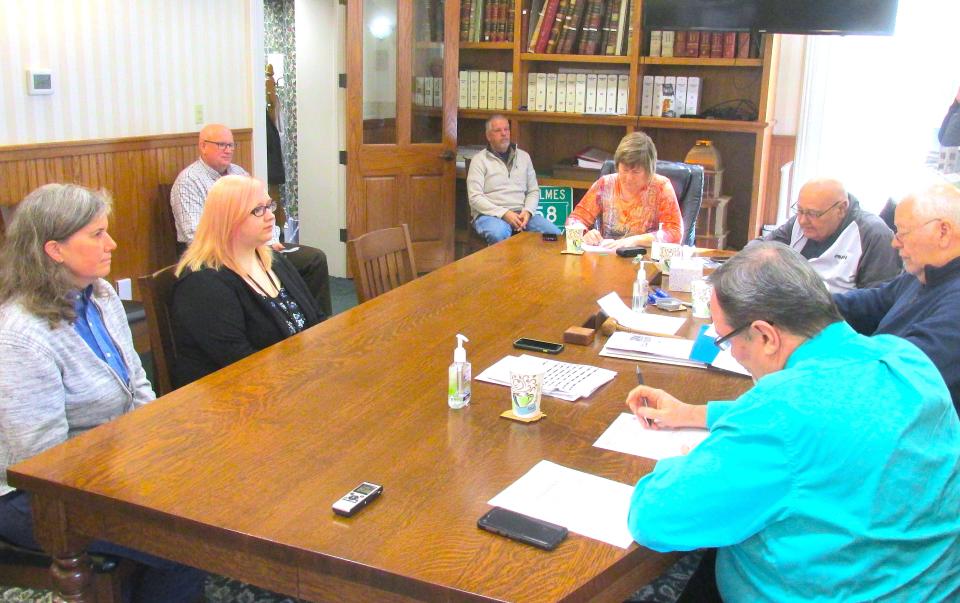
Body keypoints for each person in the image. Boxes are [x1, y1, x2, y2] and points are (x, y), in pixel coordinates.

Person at [625, 242, 960, 602]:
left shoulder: (779, 414)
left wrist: (685, 462)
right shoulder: (906, 359)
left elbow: (652, 519)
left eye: (725, 339)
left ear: (766, 336)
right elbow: (835, 419)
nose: (732, 353)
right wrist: (693, 413)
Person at [0, 184, 205, 602]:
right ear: (54, 250)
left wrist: (160, 446)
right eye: (96, 235)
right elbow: (42, 461)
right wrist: (134, 477)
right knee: (187, 539)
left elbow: (138, 384)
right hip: (33, 496)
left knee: (206, 488)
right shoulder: (21, 336)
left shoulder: (101, 294)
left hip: (107, 464)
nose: (111, 244)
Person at [171, 175, 324, 387]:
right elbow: (241, 364)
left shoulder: (272, 260)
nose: (271, 216)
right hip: (234, 399)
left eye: (269, 206)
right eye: (258, 210)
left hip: (294, 379)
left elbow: (315, 317)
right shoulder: (203, 284)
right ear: (229, 220)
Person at [171, 123, 333, 316]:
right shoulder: (188, 180)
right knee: (279, 265)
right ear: (203, 146)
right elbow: (194, 233)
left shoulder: (238, 173)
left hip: (252, 247)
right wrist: (243, 246)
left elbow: (262, 207)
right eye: (221, 145)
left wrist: (271, 239)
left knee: (313, 259)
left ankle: (315, 321)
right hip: (215, 255)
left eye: (231, 145)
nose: (228, 150)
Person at [835, 182, 960, 415]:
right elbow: (865, 304)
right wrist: (799, 306)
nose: (894, 242)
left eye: (902, 232)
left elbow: (899, 372)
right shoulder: (922, 275)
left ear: (943, 231)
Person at [761, 178, 901, 293]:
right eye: (799, 210)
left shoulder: (873, 235)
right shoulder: (799, 221)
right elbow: (760, 248)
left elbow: (877, 300)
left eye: (813, 214)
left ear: (841, 209)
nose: (803, 221)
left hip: (835, 317)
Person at [567, 132, 682, 249]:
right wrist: (584, 234)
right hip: (607, 257)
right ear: (617, 165)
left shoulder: (661, 187)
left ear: (649, 171)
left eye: (636, 172)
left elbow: (675, 232)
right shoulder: (605, 184)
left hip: (644, 259)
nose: (629, 178)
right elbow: (574, 219)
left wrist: (634, 241)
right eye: (624, 170)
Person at [466, 114, 561, 244]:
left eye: (506, 129)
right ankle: (501, 265)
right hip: (490, 215)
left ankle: (533, 265)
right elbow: (475, 198)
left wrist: (527, 211)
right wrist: (504, 213)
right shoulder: (479, 160)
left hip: (521, 214)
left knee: (554, 234)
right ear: (488, 136)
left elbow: (533, 191)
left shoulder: (524, 157)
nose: (504, 134)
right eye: (498, 130)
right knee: (500, 233)